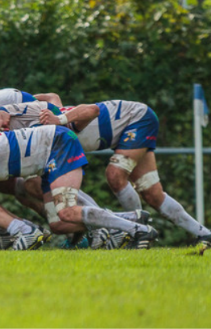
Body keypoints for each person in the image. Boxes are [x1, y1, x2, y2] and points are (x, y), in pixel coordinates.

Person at [0, 117, 159, 250]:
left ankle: (139, 230)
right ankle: (130, 218)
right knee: (58, 224)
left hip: (59, 145)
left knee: (66, 211)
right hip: (48, 153)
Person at [40, 100, 211, 251]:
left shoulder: (45, 122)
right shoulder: (40, 126)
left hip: (137, 118)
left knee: (114, 174)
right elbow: (52, 96)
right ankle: (204, 234)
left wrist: (59, 119)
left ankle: (137, 231)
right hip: (133, 122)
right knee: (152, 193)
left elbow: (92, 109)